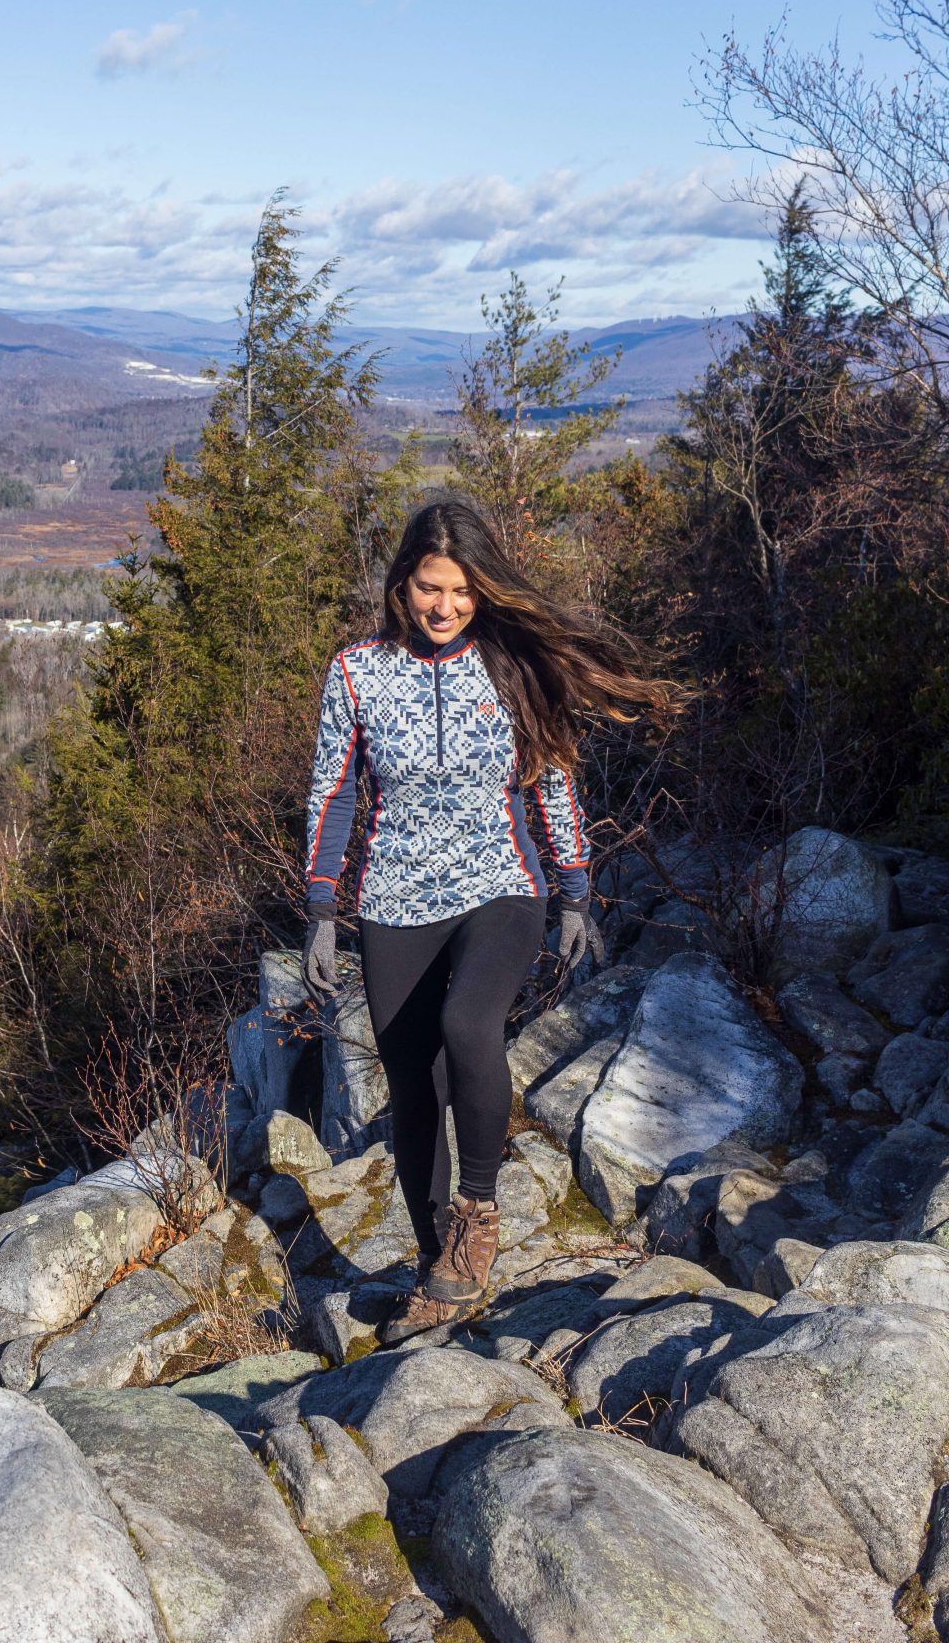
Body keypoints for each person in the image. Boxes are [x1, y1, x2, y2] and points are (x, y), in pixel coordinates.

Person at [301, 498, 678, 1345]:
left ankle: (478, 1213)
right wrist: (321, 906)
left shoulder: (512, 666)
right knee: (412, 1085)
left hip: (499, 885)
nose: (445, 607)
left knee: (469, 1023)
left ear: (482, 590)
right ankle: (439, 1267)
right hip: (393, 898)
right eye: (431, 589)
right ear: (403, 584)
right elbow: (334, 790)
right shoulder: (358, 670)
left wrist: (575, 890)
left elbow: (553, 783)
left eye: (462, 591)